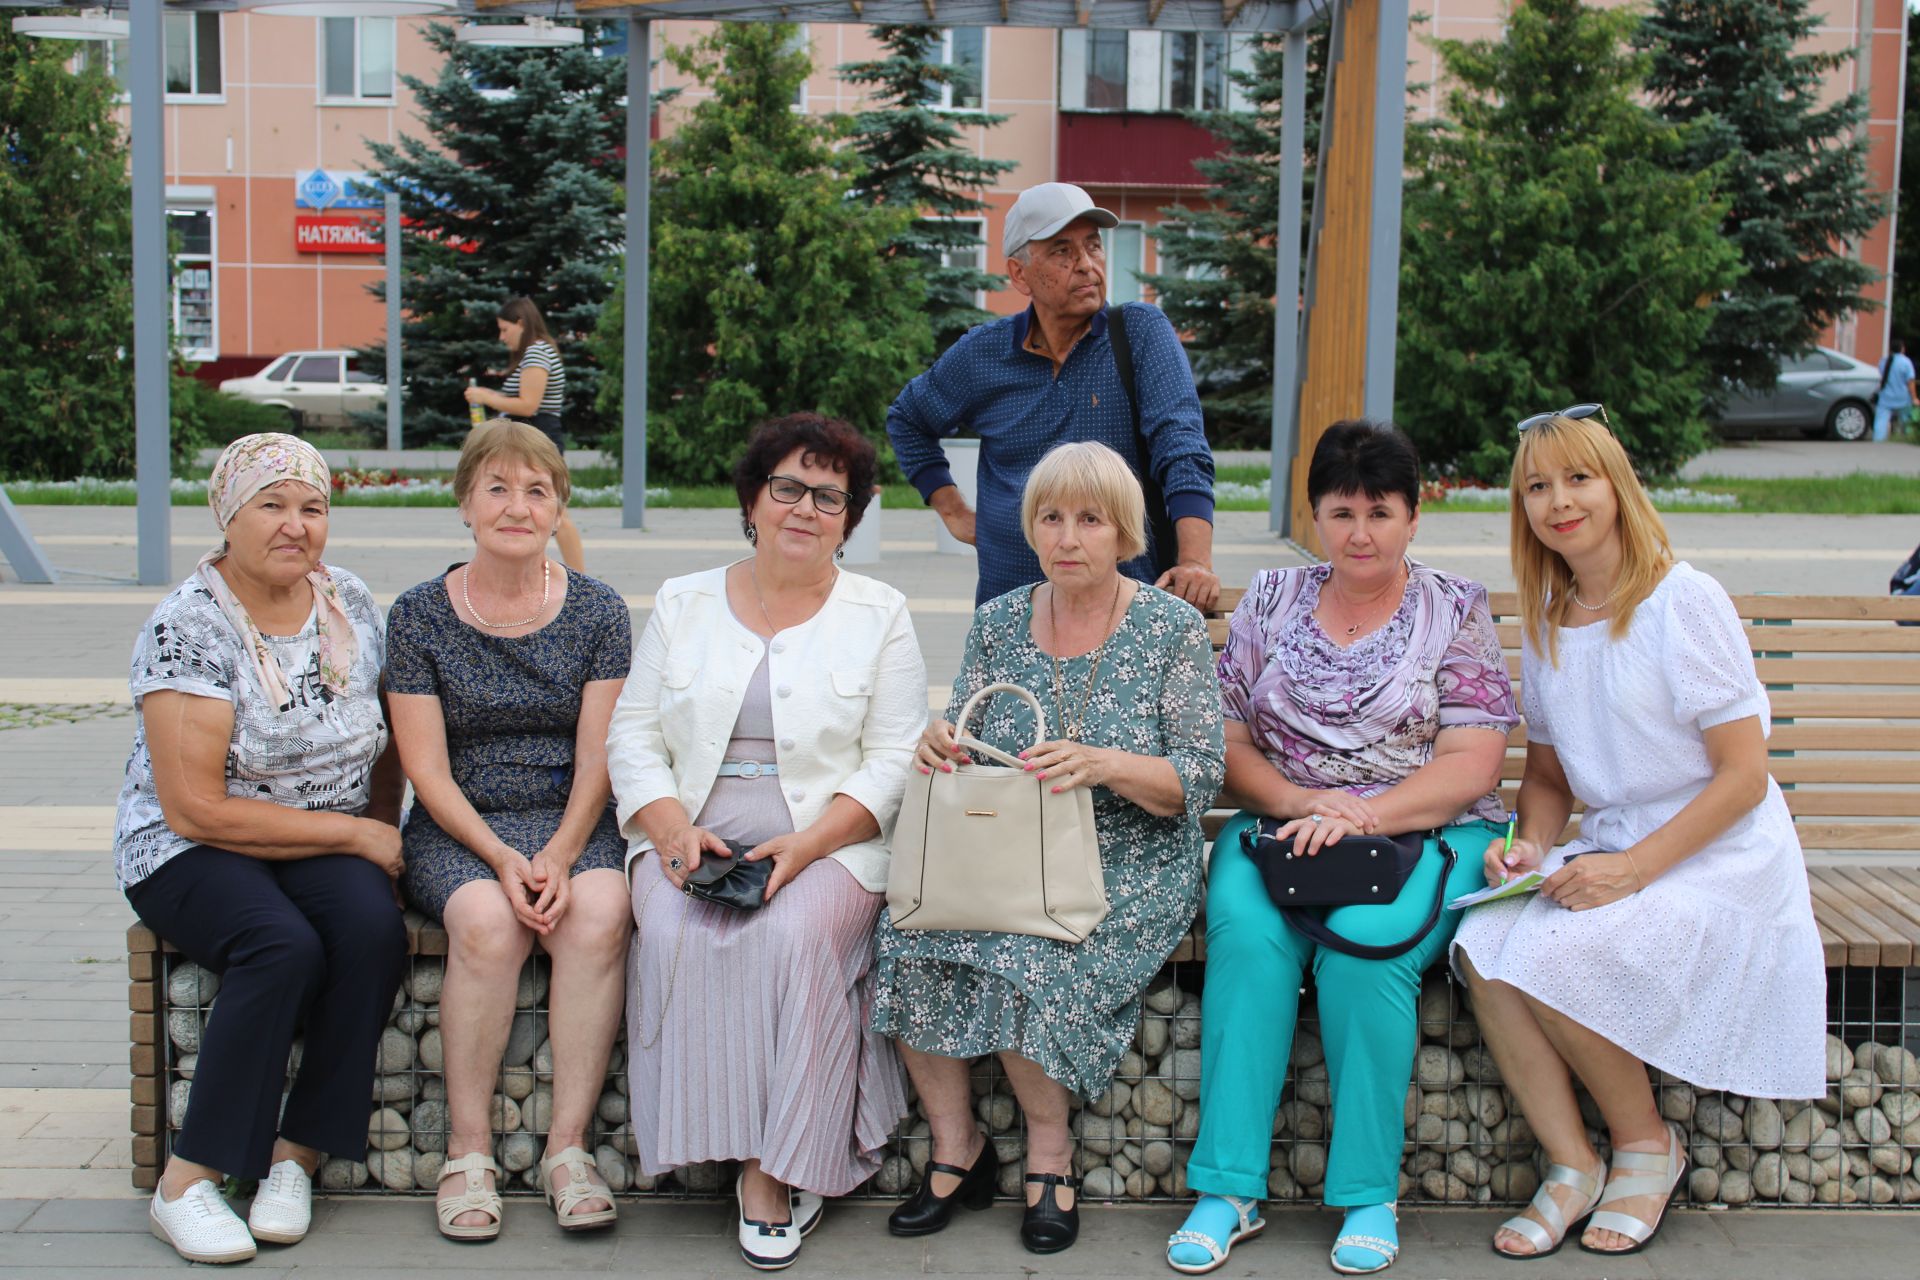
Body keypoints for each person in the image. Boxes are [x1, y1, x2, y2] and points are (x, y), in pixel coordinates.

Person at [1454, 407, 1826, 1260]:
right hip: (1620, 845)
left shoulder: (1681, 600)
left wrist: (1630, 871)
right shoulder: (1548, 620)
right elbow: (1547, 780)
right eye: (1538, 487)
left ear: (1615, 485)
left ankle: (1647, 1148)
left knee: (1559, 952)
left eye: (1577, 479)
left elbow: (1744, 775)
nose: (1559, 502)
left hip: (1718, 852)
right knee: (1483, 938)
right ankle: (1573, 1163)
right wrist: (1531, 848)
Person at [1169, 421, 1517, 1277]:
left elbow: (1474, 759)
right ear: (1316, 513)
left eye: (1380, 511)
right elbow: (1228, 738)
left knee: (1366, 955)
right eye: (1341, 510)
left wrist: (1363, 814)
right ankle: (1229, 1189)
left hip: (1430, 831)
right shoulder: (1271, 598)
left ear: (1413, 516)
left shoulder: (1456, 607)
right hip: (1283, 826)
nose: (1360, 532)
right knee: (1248, 942)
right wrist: (1297, 802)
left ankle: (1368, 1193)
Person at [871, 441, 1225, 1256]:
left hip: (1129, 860)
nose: (1068, 537)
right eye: (1051, 518)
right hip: (1009, 850)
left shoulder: (1170, 626)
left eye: (1090, 520)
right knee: (907, 937)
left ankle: (1049, 1155)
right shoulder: (1000, 620)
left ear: (1125, 533)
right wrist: (940, 746)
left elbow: (1198, 778)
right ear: (1031, 529)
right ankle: (957, 1151)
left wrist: (1103, 764)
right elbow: (971, 740)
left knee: (1027, 957)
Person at [608, 413, 926, 1272]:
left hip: (832, 840)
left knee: (790, 938)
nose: (806, 508)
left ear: (850, 519)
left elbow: (896, 756)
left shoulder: (881, 612)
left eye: (831, 496)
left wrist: (812, 844)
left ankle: (772, 1169)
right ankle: (714, 1137)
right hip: (690, 830)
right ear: (753, 499)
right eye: (788, 487)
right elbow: (632, 736)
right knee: (675, 933)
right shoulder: (683, 601)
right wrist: (671, 831)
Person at [117, 433, 406, 1265]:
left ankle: (296, 1158)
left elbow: (382, 740)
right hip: (187, 847)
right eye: (271, 506)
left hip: (320, 834)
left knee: (369, 932)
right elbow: (197, 807)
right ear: (227, 515)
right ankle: (187, 1182)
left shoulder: (344, 596)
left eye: (312, 508)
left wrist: (373, 833)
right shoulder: (188, 626)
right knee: (278, 946)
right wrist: (359, 835)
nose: (295, 526)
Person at [384, 420, 633, 1242]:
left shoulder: (600, 611)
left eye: (537, 491)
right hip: (462, 825)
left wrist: (559, 853)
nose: (517, 507)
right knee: (487, 923)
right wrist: (498, 857)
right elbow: (426, 770)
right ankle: (468, 1152)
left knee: (598, 913)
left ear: (560, 506)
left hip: (572, 815)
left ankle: (569, 1150)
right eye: (497, 488)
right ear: (464, 503)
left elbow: (600, 757)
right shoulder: (418, 615)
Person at [885, 181, 1219, 610]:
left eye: (1093, 246)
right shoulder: (983, 354)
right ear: (1019, 274)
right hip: (1012, 613)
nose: (1086, 265)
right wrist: (953, 511)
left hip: (1128, 612)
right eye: (1062, 251)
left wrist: (1195, 560)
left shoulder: (1139, 333)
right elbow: (908, 419)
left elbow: (1183, 449)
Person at [462, 296, 585, 570]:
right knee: (551, 509)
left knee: (557, 513)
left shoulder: (537, 352)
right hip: (534, 437)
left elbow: (529, 404)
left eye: (505, 329)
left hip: (538, 438)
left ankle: (583, 582)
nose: (502, 337)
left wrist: (486, 396)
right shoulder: (539, 351)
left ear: (521, 323)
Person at [1872, 337, 1916, 443]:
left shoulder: (1883, 361)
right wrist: (1914, 397)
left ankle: (1878, 440)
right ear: (1902, 349)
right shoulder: (1906, 362)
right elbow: (1910, 382)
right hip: (1902, 396)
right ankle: (1908, 438)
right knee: (1906, 420)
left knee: (1881, 420)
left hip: (1886, 396)